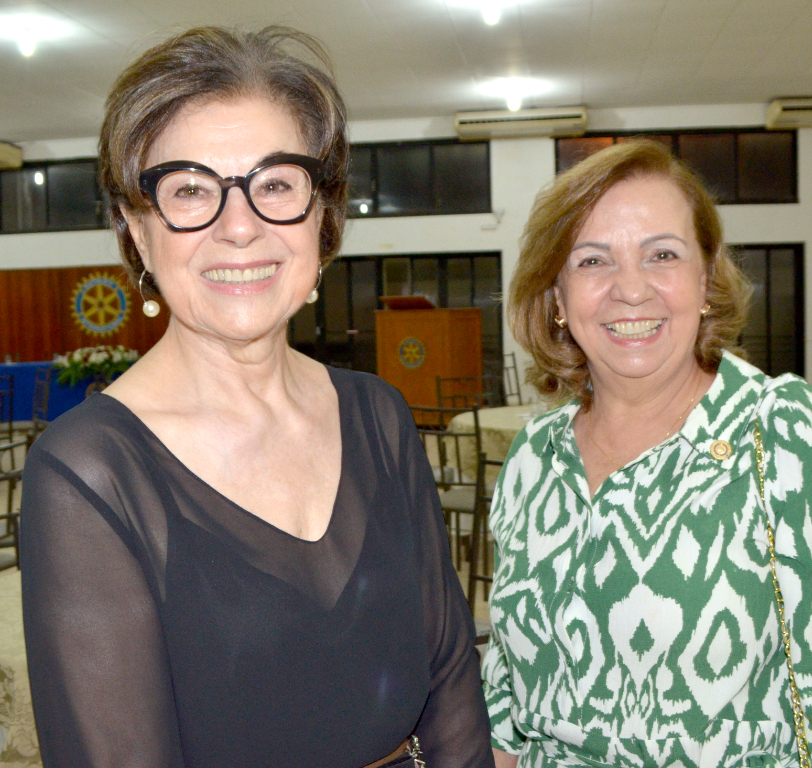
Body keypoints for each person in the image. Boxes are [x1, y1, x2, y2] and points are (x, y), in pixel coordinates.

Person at [21, 26, 493, 768]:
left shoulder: (377, 415)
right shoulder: (89, 473)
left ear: (322, 216)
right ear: (138, 233)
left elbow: (449, 674)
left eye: (275, 184)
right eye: (189, 190)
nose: (238, 227)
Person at [481, 139, 812, 767]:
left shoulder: (787, 436)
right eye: (592, 261)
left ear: (706, 280)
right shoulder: (535, 458)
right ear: (556, 298)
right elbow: (506, 701)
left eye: (661, 254)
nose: (630, 290)